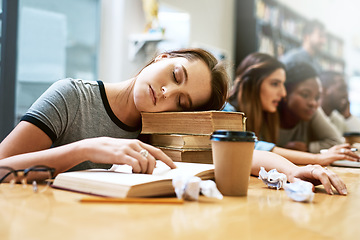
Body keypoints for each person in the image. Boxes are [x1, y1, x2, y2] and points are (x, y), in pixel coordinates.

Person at [0, 48, 347, 195]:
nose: (165, 92)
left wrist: (293, 170)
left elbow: (242, 151)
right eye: (175, 74)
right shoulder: (71, 97)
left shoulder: (164, 128)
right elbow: (2, 166)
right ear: (162, 57)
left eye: (181, 101)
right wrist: (84, 149)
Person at [225, 52, 359, 167]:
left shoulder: (265, 112)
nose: (283, 93)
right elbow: (250, 148)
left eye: (282, 84)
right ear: (251, 84)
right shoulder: (226, 113)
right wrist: (317, 159)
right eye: (275, 84)